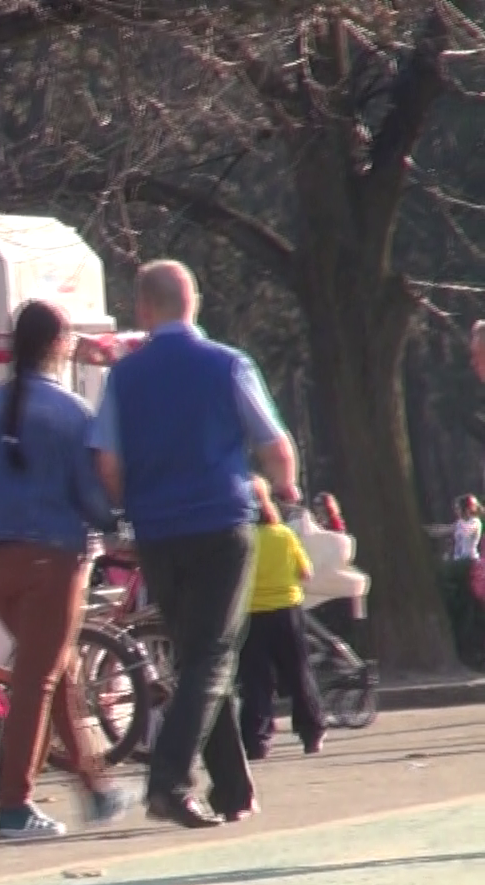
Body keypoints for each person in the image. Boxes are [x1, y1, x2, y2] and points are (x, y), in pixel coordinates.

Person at [90, 260, 300, 828]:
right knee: (213, 656)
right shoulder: (228, 364)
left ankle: (233, 788)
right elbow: (274, 444)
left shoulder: (124, 377)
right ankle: (169, 780)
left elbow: (106, 460)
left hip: (158, 530)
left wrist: (127, 504)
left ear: (143, 308)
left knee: (197, 656)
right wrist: (287, 486)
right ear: (195, 303)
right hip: (221, 523)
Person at [0, 300, 133, 841]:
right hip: (53, 559)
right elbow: (93, 496)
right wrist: (115, 521)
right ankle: (16, 804)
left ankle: (95, 788)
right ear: (59, 344)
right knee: (39, 679)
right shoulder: (73, 412)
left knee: (57, 669)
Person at [238, 477, 324, 758]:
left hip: (252, 613)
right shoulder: (284, 535)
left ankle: (257, 739)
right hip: (287, 610)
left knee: (255, 679)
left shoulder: (241, 540)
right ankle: (311, 731)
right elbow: (306, 573)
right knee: (299, 672)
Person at [450, 495, 480, 563]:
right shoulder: (459, 523)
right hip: (460, 560)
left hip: (472, 560)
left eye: (458, 508)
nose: (456, 511)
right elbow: (458, 544)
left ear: (465, 509)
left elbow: (467, 531)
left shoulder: (475, 521)